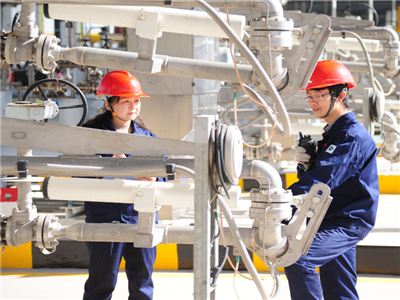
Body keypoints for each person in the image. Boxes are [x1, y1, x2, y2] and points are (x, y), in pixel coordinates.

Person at [284, 60, 380, 300]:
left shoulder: (351, 136)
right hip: (331, 219)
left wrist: (284, 199)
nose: (313, 101)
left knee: (297, 259)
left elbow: (324, 179)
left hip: (346, 221)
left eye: (319, 94)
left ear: (341, 94)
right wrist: (308, 165)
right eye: (309, 96)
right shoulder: (334, 133)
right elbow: (325, 176)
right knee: (340, 290)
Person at [82, 70, 165, 300]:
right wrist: (106, 166)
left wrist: (156, 178)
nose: (133, 106)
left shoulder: (148, 138)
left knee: (142, 283)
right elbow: (75, 174)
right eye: (126, 101)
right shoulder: (91, 136)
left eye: (136, 101)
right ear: (109, 104)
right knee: (101, 282)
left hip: (142, 217)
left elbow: (168, 174)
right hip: (104, 218)